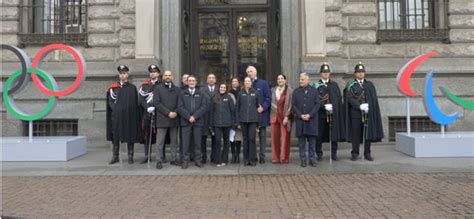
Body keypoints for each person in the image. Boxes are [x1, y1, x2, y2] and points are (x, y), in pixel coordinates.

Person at [344, 62, 384, 161]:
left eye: (362, 72)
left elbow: (373, 100)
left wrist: (369, 107)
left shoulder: (369, 85)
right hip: (356, 114)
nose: (361, 74)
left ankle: (367, 153)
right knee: (356, 134)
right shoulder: (351, 85)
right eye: (358, 72)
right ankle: (355, 153)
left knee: (367, 135)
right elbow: (349, 98)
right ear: (355, 74)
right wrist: (359, 106)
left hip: (367, 114)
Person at [106, 65, 143, 164]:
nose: (122, 75)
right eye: (121, 73)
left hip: (128, 116)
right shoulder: (113, 88)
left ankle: (130, 155)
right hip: (117, 116)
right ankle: (115, 156)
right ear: (119, 75)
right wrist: (117, 110)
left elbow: (134, 103)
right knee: (116, 137)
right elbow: (110, 101)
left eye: (124, 73)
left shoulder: (132, 88)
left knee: (129, 135)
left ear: (127, 74)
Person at [313, 63, 345, 161]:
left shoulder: (334, 85)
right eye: (323, 72)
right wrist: (324, 106)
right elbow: (315, 100)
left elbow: (338, 99)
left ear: (329, 73)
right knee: (319, 135)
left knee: (333, 135)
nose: (326, 74)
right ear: (320, 74)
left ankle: (333, 153)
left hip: (333, 114)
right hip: (321, 114)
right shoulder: (316, 85)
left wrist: (334, 107)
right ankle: (319, 153)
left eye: (327, 72)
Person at [177, 75, 209, 169]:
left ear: (196, 82)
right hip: (185, 122)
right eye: (189, 81)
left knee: (197, 143)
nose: (191, 82)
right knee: (185, 143)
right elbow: (180, 107)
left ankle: (198, 160)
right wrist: (188, 117)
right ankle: (185, 161)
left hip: (198, 122)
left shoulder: (201, 93)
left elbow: (204, 107)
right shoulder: (182, 93)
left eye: (193, 80)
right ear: (187, 82)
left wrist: (194, 116)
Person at [151, 70, 181, 169]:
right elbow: (157, 103)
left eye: (169, 75)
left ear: (172, 77)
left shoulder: (177, 89)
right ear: (163, 77)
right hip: (162, 118)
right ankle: (159, 160)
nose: (168, 77)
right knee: (160, 141)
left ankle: (173, 158)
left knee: (174, 141)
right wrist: (168, 113)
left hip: (174, 118)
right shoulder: (158, 88)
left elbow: (180, 103)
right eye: (166, 75)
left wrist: (175, 112)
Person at [292, 72, 321, 167]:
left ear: (308, 80)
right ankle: (303, 159)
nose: (301, 81)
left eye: (303, 79)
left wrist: (310, 114)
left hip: (311, 121)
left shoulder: (314, 91)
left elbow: (317, 104)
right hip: (300, 121)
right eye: (300, 79)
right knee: (301, 143)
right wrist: (300, 115)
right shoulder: (296, 91)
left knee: (312, 142)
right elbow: (294, 106)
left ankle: (312, 159)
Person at [246, 66, 271, 164]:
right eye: (248, 72)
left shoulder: (263, 83)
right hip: (250, 116)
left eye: (251, 71)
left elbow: (268, 98)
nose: (249, 73)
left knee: (262, 137)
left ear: (255, 72)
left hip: (261, 114)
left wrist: (263, 107)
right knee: (251, 137)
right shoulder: (246, 84)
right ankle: (253, 156)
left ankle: (262, 156)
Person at [236, 77, 262, 166]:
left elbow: (259, 108)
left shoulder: (256, 93)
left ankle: (252, 159)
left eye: (249, 81)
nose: (247, 82)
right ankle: (246, 160)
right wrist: (237, 122)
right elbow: (237, 109)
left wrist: (259, 122)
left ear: (251, 83)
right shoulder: (240, 94)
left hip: (253, 120)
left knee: (252, 139)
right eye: (245, 81)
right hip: (243, 120)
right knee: (245, 140)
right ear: (244, 83)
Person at [138, 64, 161, 164]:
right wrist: (148, 108)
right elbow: (141, 99)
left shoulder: (162, 85)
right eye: (151, 72)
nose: (153, 74)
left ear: (158, 74)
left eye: (155, 72)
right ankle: (147, 155)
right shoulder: (145, 86)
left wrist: (157, 107)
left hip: (160, 114)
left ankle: (161, 155)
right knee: (147, 135)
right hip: (147, 114)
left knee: (161, 135)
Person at [210, 83, 237, 167]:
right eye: (221, 87)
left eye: (224, 87)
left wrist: (233, 123)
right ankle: (217, 160)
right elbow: (211, 112)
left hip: (227, 124)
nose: (222, 88)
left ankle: (224, 159)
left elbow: (233, 111)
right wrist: (211, 124)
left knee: (226, 142)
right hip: (217, 123)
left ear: (226, 89)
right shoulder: (214, 98)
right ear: (219, 88)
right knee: (217, 141)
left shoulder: (229, 98)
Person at [270, 74, 293, 164]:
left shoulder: (290, 91)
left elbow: (291, 104)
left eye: (282, 78)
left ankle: (284, 158)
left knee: (285, 139)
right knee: (274, 138)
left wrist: (287, 116)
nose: (280, 80)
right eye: (278, 79)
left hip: (284, 118)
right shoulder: (273, 90)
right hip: (274, 117)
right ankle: (275, 158)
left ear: (285, 80)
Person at [200, 74, 218, 164]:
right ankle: (203, 157)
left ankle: (214, 157)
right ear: (207, 80)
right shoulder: (202, 90)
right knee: (203, 138)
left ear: (215, 80)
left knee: (215, 138)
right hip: (204, 117)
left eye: (213, 78)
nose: (211, 79)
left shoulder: (219, 89)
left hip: (215, 117)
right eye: (209, 78)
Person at [229, 77, 243, 163]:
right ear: (231, 83)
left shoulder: (241, 92)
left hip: (239, 118)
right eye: (233, 81)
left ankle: (237, 155)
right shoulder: (229, 93)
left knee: (238, 138)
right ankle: (233, 155)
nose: (234, 82)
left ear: (238, 83)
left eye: (236, 81)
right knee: (232, 138)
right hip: (231, 118)